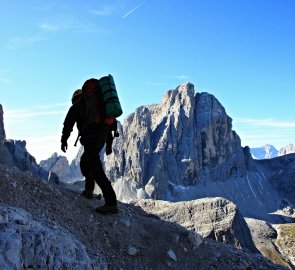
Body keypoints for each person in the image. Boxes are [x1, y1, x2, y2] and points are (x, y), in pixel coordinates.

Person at [61, 89, 118, 214]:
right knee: (84, 162)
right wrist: (108, 145)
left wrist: (63, 140)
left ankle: (111, 203)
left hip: (90, 138)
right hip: (100, 138)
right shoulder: (99, 108)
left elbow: (68, 124)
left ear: (75, 98)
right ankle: (89, 190)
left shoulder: (78, 106)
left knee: (96, 169)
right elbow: (108, 126)